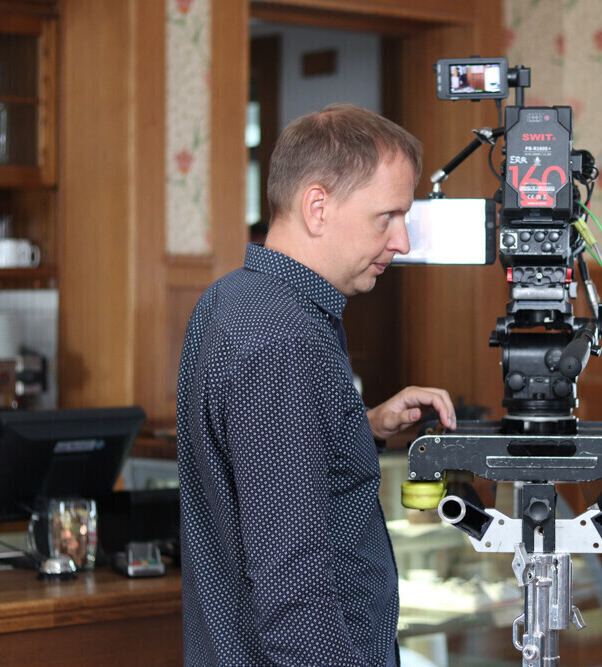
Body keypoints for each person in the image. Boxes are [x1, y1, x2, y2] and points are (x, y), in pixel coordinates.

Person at [177, 103, 457, 666]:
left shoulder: (231, 299)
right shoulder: (282, 337)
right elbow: (294, 591)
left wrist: (362, 426)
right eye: (387, 217)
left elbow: (260, 467)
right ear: (317, 207)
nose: (402, 242)